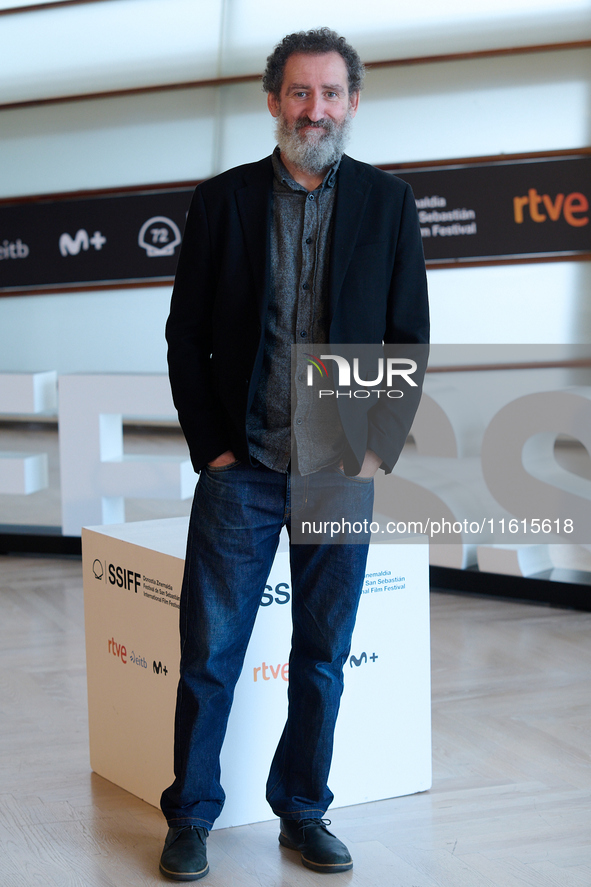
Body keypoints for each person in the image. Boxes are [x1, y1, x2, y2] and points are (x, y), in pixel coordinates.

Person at [159, 27, 429, 881]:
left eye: (332, 93)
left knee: (321, 653)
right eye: (300, 93)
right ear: (273, 99)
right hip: (244, 469)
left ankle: (302, 812)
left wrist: (371, 448)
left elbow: (405, 335)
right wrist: (214, 450)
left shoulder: (388, 205)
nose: (316, 109)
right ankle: (191, 816)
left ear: (352, 102)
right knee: (209, 657)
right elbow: (186, 335)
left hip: (335, 470)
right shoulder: (222, 201)